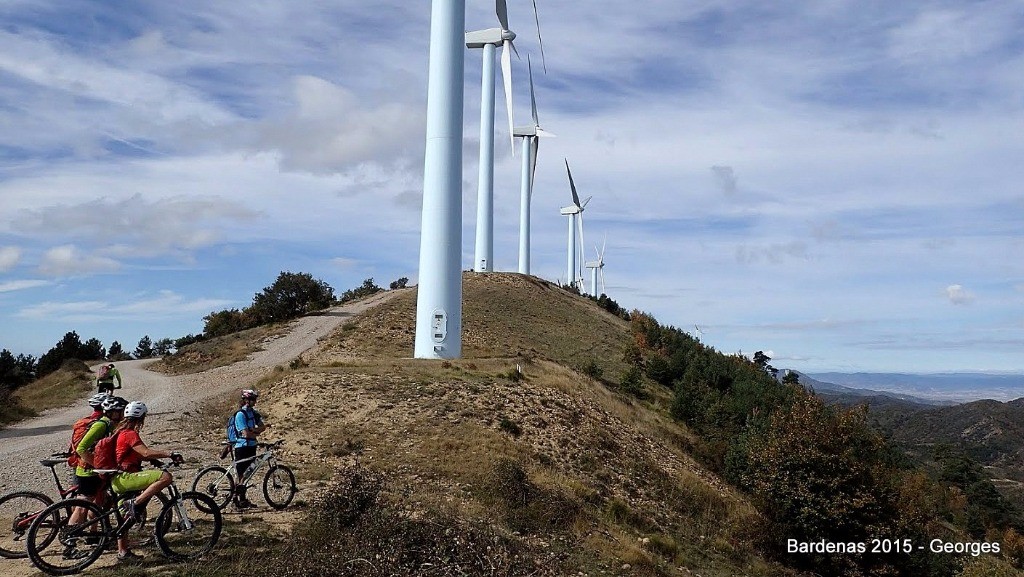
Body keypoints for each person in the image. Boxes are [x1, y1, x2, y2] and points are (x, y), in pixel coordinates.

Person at [110, 400, 183, 563]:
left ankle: (123, 552)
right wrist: (169, 453)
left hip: (119, 477)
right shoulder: (130, 433)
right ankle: (135, 502)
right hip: (126, 477)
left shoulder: (121, 431)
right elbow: (145, 452)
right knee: (165, 477)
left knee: (125, 518)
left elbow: (137, 454)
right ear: (141, 417)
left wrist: (154, 461)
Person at [64, 395, 127, 559]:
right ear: (113, 413)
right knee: (81, 506)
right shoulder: (101, 425)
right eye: (120, 412)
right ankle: (69, 546)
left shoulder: (108, 424)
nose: (123, 415)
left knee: (95, 504)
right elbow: (81, 448)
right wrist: (98, 466)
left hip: (92, 472)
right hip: (87, 472)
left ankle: (94, 537)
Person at [232, 389, 267, 509]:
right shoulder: (240, 414)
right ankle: (236, 499)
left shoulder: (254, 413)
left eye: (255, 399)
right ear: (246, 400)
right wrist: (255, 433)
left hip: (251, 446)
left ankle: (242, 500)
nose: (254, 402)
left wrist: (254, 431)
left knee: (247, 474)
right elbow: (245, 434)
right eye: (252, 399)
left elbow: (263, 427)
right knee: (241, 475)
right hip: (242, 447)